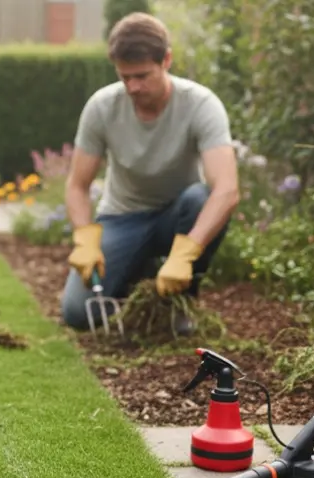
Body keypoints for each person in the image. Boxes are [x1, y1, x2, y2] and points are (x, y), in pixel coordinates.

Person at [61, 12, 239, 335]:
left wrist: (186, 254)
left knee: (201, 199)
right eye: (124, 77)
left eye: (142, 76)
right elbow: (77, 184)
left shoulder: (200, 104)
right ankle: (139, 272)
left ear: (166, 60)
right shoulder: (102, 107)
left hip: (177, 217)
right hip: (121, 218)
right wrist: (85, 239)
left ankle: (181, 300)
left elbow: (227, 189)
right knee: (77, 313)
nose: (133, 87)